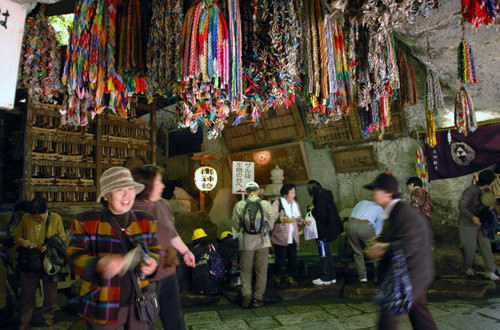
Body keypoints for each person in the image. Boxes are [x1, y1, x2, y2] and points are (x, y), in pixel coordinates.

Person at [67, 167, 162, 329]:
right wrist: (99, 264)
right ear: (106, 196)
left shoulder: (145, 221)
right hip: (102, 304)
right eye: (119, 190)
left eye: (130, 189)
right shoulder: (86, 222)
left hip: (139, 303)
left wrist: (152, 263)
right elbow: (74, 257)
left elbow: (155, 249)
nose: (127, 195)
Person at [364, 173, 437, 330]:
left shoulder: (402, 212)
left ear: (387, 193)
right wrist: (380, 240)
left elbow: (411, 242)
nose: (372, 194)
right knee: (420, 316)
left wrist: (383, 249)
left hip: (410, 275)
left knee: (388, 317)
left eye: (376, 190)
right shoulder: (393, 212)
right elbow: (396, 236)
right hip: (414, 273)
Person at [132, 164, 195, 330]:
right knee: (145, 322)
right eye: (158, 181)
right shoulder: (132, 210)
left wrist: (186, 251)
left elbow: (172, 233)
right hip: (144, 279)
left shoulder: (164, 204)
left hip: (168, 272)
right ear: (146, 185)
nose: (163, 185)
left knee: (175, 321)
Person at [13, 197, 66, 330]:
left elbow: (63, 237)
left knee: (50, 290)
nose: (37, 219)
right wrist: (23, 242)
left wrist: (49, 246)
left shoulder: (55, 218)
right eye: (34, 216)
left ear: (46, 211)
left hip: (49, 258)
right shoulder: (26, 219)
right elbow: (17, 236)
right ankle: (25, 319)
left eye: (40, 216)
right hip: (31, 257)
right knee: (27, 291)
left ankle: (48, 315)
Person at [231, 181, 274, 308]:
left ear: (246, 192)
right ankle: (258, 298)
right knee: (261, 271)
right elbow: (271, 225)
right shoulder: (266, 204)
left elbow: (235, 224)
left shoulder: (240, 205)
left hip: (246, 242)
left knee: (246, 271)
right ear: (258, 191)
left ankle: (247, 296)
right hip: (263, 241)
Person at [458, 169, 499, 280]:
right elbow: (462, 206)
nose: (495, 182)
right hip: (467, 223)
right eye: (494, 181)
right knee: (469, 248)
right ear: (489, 181)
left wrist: (491, 207)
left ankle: (490, 270)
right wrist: (473, 217)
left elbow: (490, 204)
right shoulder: (470, 191)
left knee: (486, 246)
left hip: (482, 223)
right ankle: (468, 269)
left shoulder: (487, 191)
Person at [307, 180, 343, 285]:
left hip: (322, 232)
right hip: (330, 229)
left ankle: (325, 277)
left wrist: (311, 210)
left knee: (323, 254)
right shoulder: (327, 195)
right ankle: (332, 276)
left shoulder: (319, 198)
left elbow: (321, 215)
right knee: (328, 254)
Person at [271, 183, 303, 287]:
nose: (294, 194)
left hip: (292, 236)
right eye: (292, 192)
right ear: (285, 194)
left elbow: (298, 218)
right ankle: (278, 276)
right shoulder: (277, 203)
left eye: (294, 192)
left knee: (292, 259)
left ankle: (290, 277)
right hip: (280, 236)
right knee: (281, 259)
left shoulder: (295, 204)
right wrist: (280, 219)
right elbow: (271, 217)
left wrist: (303, 222)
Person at [345, 200, 384, 283]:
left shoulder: (361, 202)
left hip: (350, 224)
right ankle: (378, 277)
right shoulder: (380, 208)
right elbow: (379, 226)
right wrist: (376, 237)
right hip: (364, 226)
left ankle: (362, 277)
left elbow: (351, 215)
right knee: (375, 251)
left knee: (357, 252)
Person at [189, 228, 219, 294]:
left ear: (195, 240)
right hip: (213, 287)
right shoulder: (211, 247)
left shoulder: (193, 251)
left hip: (198, 288)